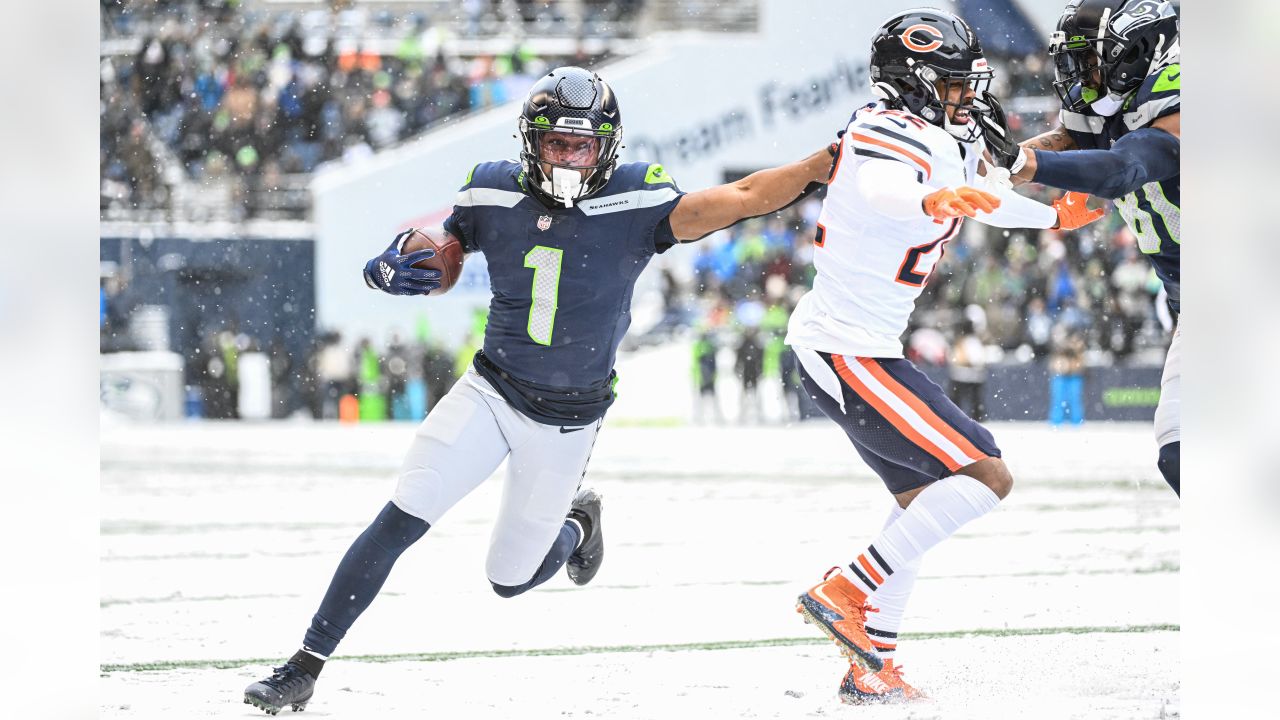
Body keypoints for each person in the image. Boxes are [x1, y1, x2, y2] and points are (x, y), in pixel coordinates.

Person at [242, 65, 836, 715]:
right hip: (491, 391)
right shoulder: (491, 190)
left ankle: (577, 526)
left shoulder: (640, 199)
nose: (569, 155)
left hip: (569, 420)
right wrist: (391, 267)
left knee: (509, 578)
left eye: (583, 144)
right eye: (557, 142)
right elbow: (442, 261)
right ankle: (303, 665)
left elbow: (748, 194)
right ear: (532, 141)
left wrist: (821, 162)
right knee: (403, 515)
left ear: (606, 145)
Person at [784, 9, 1105, 705]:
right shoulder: (880, 128)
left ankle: (870, 669)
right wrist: (930, 195)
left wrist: (1056, 216)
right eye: (954, 83)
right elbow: (881, 188)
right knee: (985, 474)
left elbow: (983, 199)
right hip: (843, 348)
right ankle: (845, 589)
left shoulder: (936, 134)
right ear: (915, 80)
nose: (966, 94)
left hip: (858, 347)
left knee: (918, 507)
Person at [984, 0, 1180, 494]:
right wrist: (1001, 160)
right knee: (1181, 452)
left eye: (1091, 62)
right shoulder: (1117, 103)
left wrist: (1024, 165)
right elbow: (1076, 137)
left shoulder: (1181, 102)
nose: (1081, 77)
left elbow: (1120, 169)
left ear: (1139, 53)